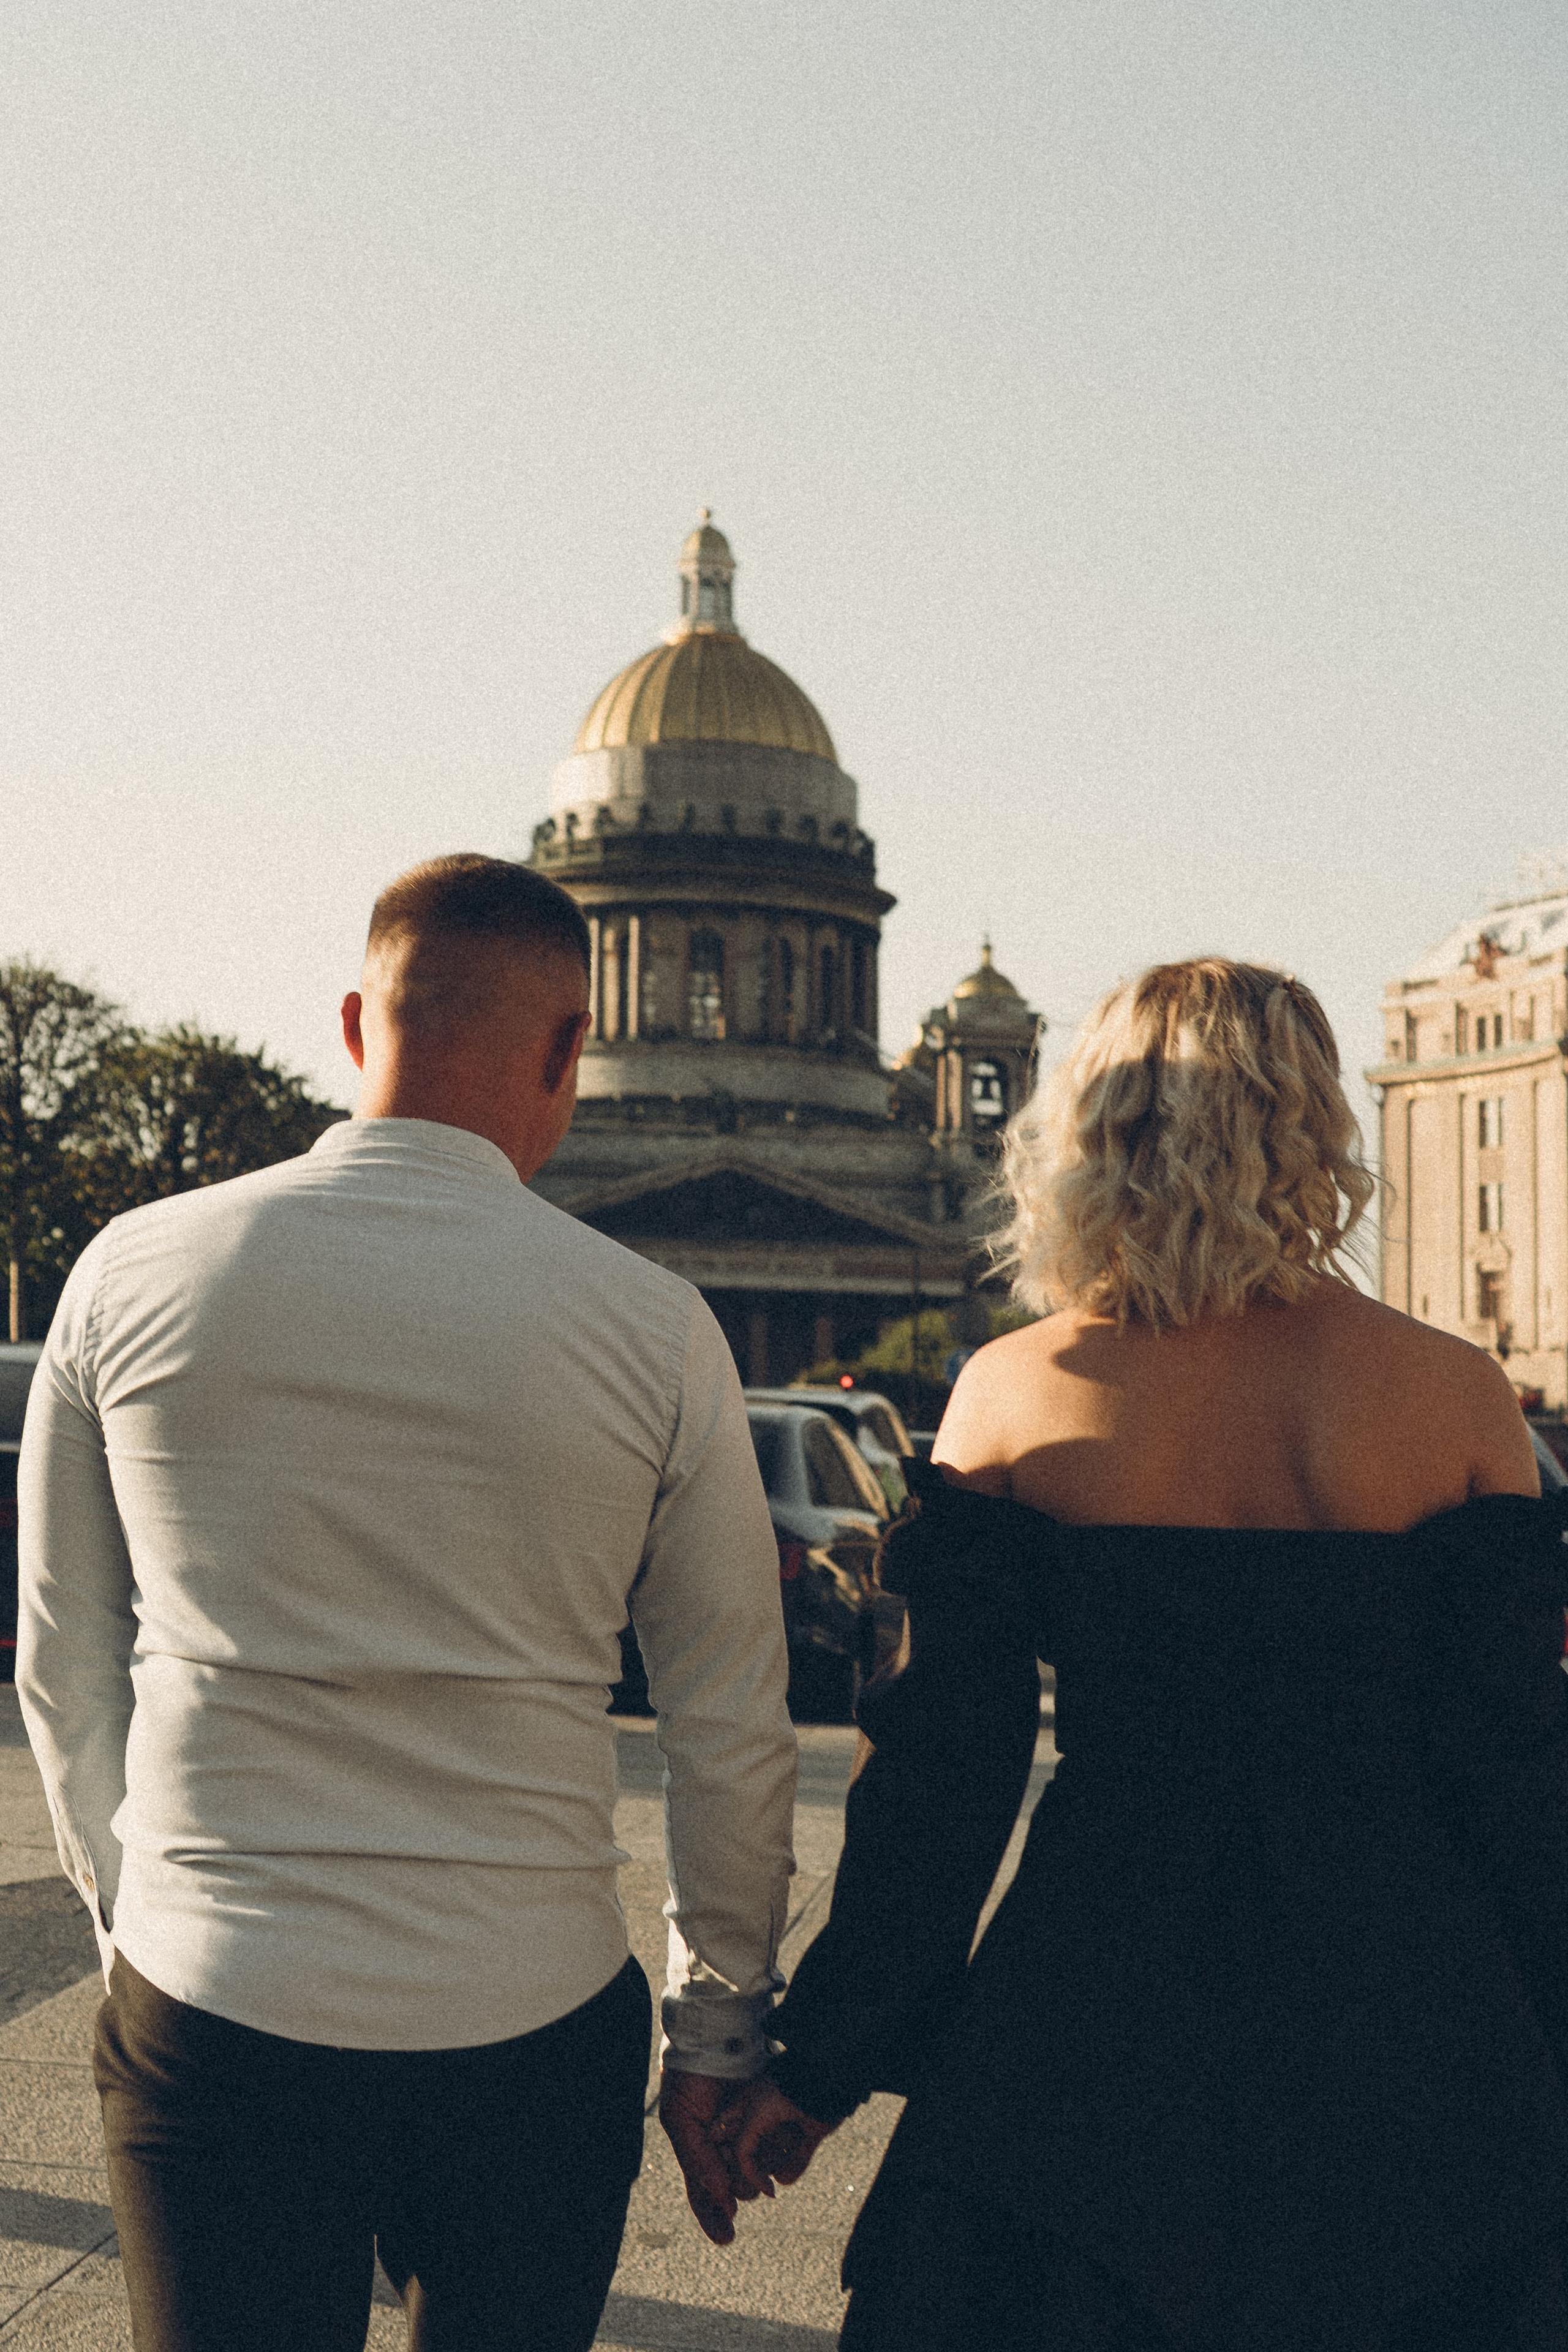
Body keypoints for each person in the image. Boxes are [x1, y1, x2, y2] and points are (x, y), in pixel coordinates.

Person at [718, 958, 1568, 2351]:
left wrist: (816, 2069)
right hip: (1410, 2018)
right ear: (1316, 1128)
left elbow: (938, 1786)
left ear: (1093, 1131)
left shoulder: (1014, 1391)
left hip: (1093, 2011)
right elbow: (1519, 1772)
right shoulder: (1451, 1391)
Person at [17, 853, 796, 2352]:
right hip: (530, 2011)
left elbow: (65, 1658)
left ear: (355, 1025)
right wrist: (714, 2028)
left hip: (216, 1987)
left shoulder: (129, 1273)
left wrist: (140, 1922)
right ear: (575, 1047)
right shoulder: (655, 1330)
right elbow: (729, 1722)